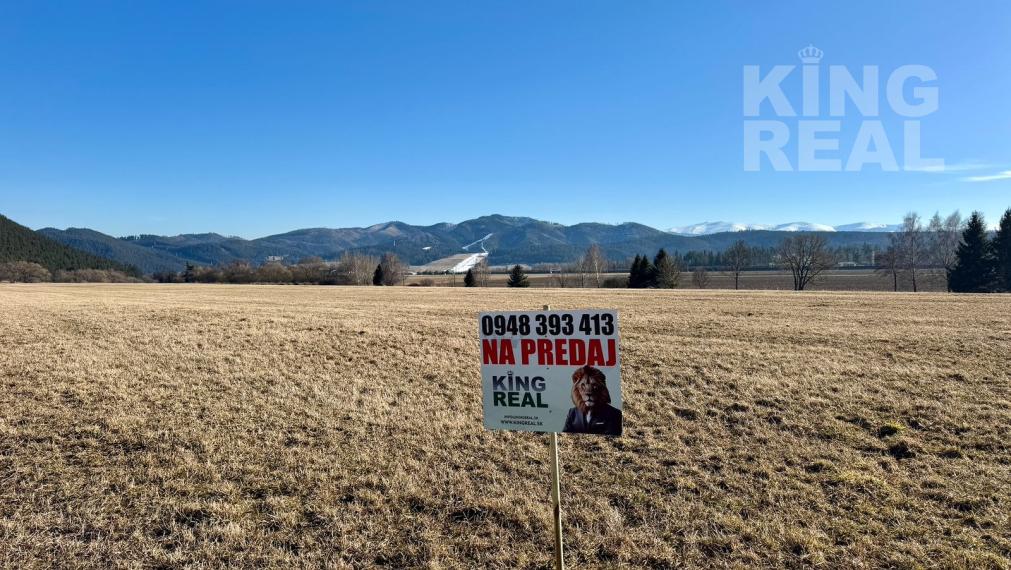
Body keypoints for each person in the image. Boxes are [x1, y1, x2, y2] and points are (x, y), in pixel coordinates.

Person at [562, 365, 622, 436]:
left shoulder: (614, 414)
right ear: (576, 390)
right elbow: (566, 434)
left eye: (594, 385)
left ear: (601, 388)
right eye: (583, 385)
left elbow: (611, 437)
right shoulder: (572, 413)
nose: (588, 392)